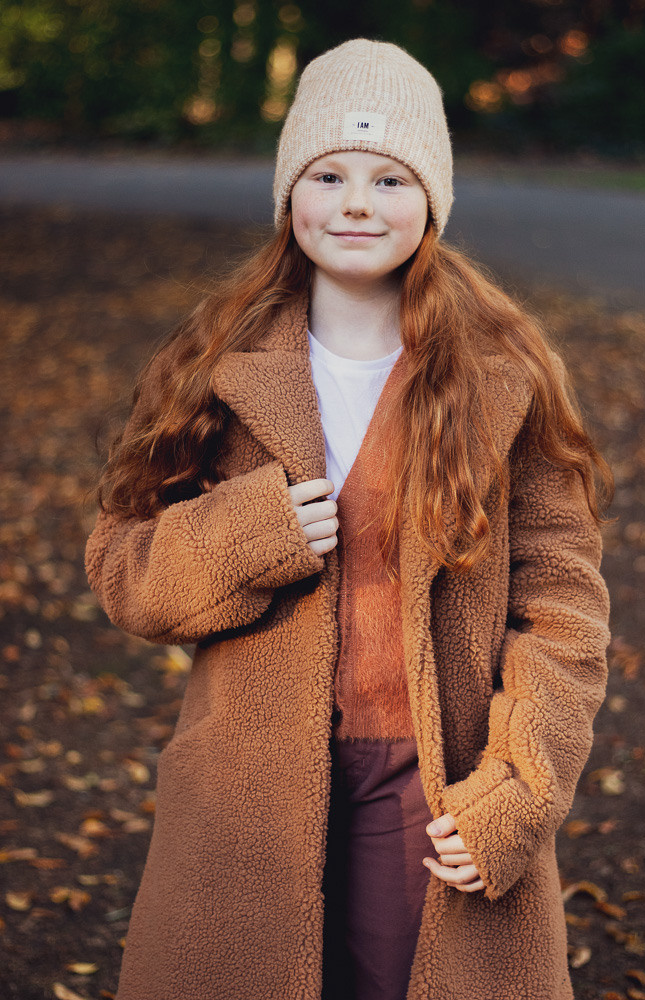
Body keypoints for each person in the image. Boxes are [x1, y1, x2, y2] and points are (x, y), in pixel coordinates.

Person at [85, 38, 612, 1000]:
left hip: (436, 785)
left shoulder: (502, 374)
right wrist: (244, 536)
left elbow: (564, 613)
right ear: (290, 193)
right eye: (328, 173)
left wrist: (519, 784)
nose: (357, 202)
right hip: (246, 787)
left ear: (433, 203)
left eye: (389, 176)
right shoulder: (213, 367)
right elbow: (122, 565)